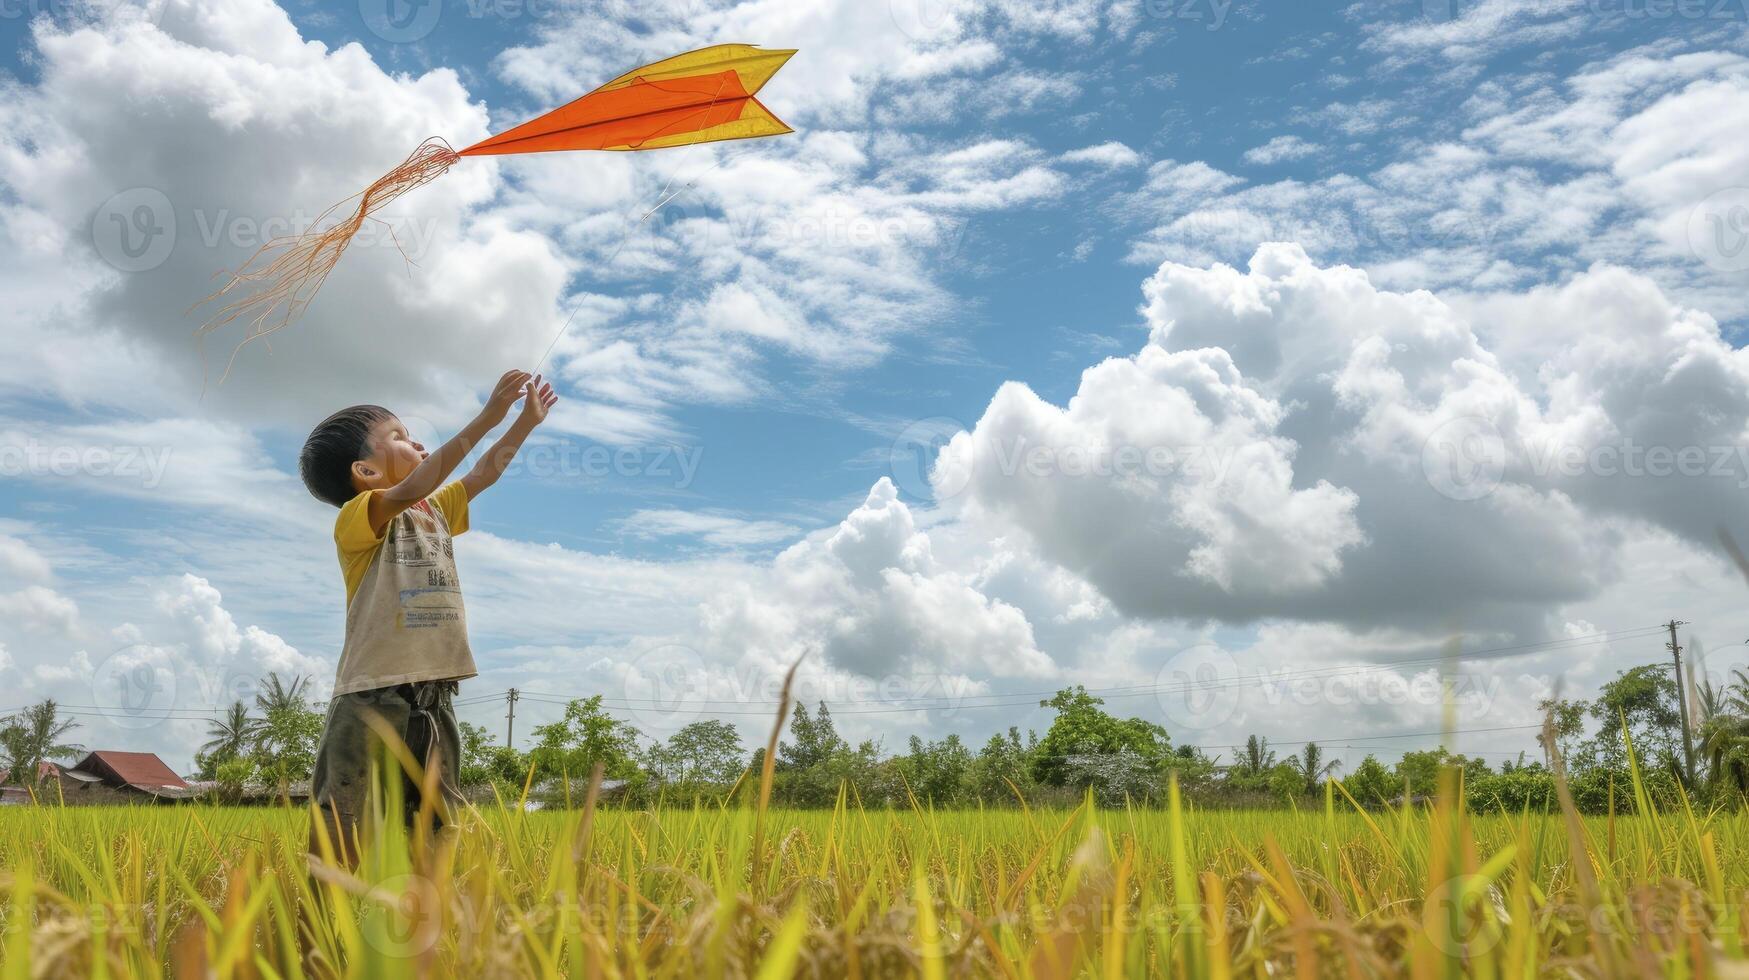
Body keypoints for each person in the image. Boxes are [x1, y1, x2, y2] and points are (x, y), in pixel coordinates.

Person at [298, 370, 556, 862]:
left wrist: (524, 423)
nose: (414, 439)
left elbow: (482, 474)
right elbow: (423, 479)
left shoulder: (434, 510)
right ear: (366, 473)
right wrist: (487, 417)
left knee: (437, 825)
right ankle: (321, 929)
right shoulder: (362, 516)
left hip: (435, 694)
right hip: (373, 693)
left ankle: (424, 925)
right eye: (396, 436)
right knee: (345, 820)